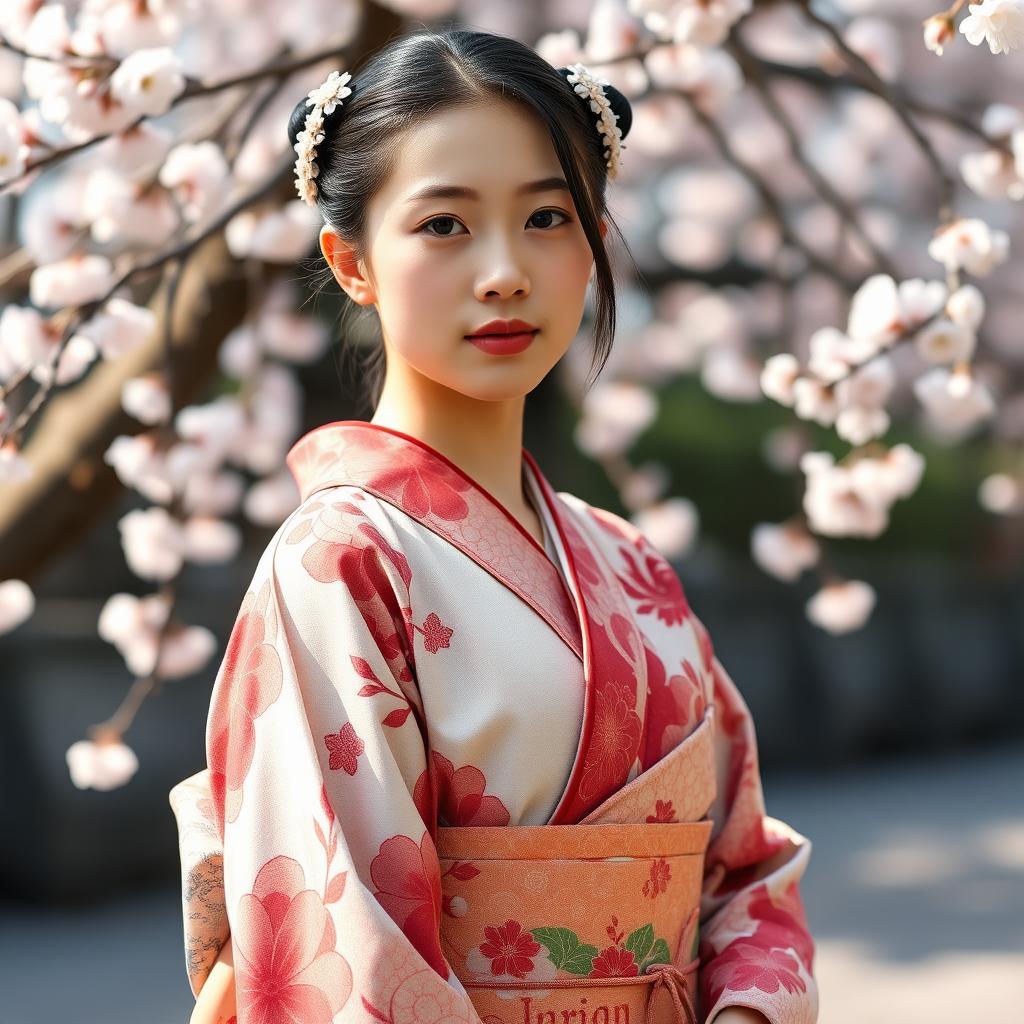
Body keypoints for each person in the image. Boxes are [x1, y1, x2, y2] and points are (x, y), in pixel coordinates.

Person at [168, 26, 818, 1024]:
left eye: (548, 217)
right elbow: (346, 945)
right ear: (352, 263)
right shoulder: (337, 564)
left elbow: (741, 864)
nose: (506, 271)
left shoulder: (626, 557)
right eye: (443, 225)